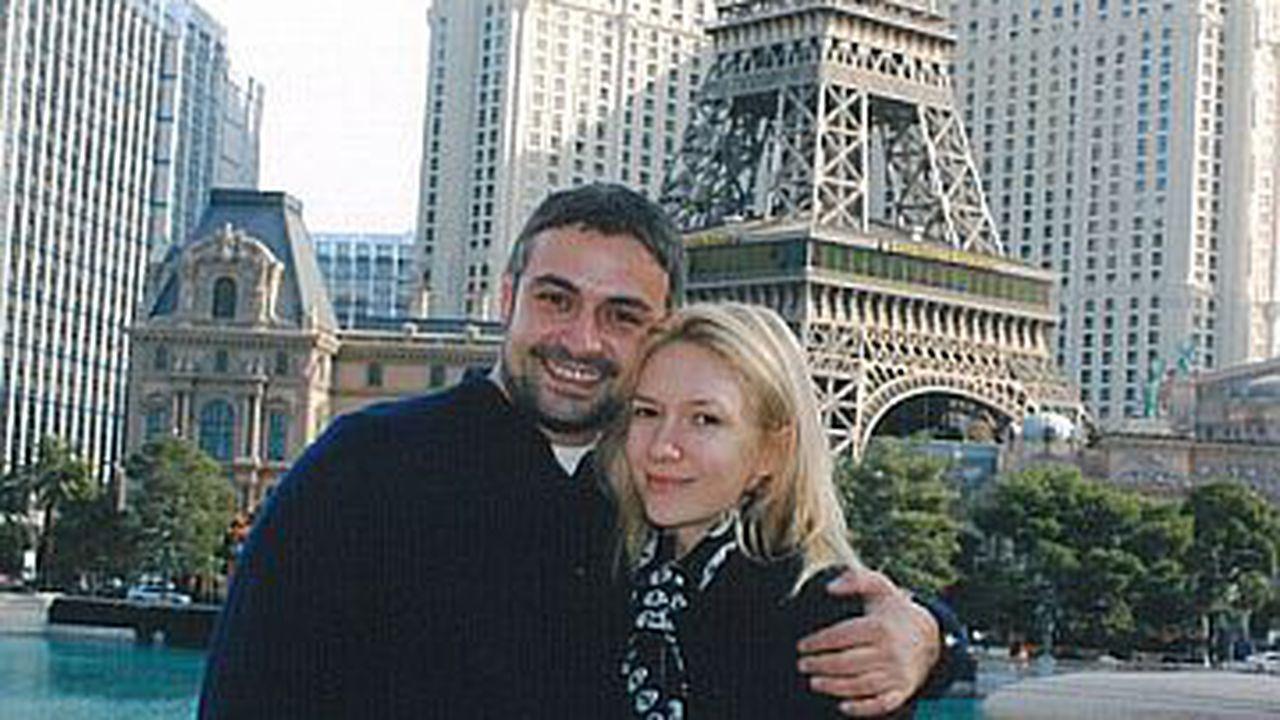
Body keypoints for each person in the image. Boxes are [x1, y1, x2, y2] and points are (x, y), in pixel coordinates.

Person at [199, 184, 956, 719]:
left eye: (621, 315)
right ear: (507, 298)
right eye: (556, 299)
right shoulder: (365, 467)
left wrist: (930, 637)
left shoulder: (653, 503)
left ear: (661, 330)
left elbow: (814, 592)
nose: (581, 340)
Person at [605, 302, 912, 718]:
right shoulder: (609, 570)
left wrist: (938, 642)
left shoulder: (823, 620)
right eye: (647, 412)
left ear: (772, 450)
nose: (662, 446)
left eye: (705, 419)